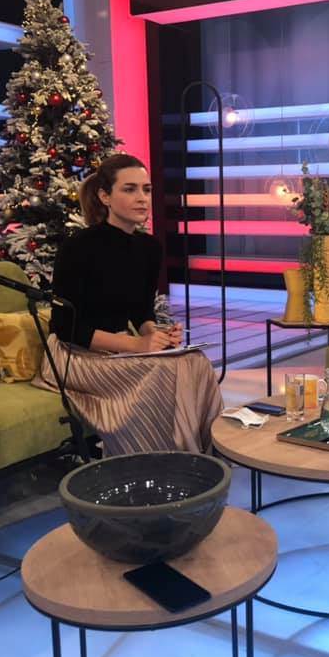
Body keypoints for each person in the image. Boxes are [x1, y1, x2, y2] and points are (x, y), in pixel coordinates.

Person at [33, 153, 223, 456]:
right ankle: (167, 463)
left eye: (146, 190)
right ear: (105, 196)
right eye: (130, 189)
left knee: (195, 361)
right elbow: (65, 327)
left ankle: (204, 457)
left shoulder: (149, 248)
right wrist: (136, 345)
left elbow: (141, 311)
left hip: (120, 348)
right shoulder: (78, 246)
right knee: (165, 372)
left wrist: (156, 335)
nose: (142, 198)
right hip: (74, 356)